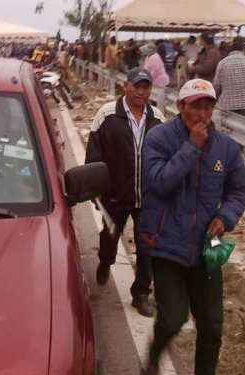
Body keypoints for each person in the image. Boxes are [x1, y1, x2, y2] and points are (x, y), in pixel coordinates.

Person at [138, 78, 245, 375]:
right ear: (181, 106)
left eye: (208, 106)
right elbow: (158, 182)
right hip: (166, 245)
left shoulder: (226, 149)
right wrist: (191, 147)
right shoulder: (159, 139)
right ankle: (155, 353)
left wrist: (225, 216)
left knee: (212, 325)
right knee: (172, 318)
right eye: (196, 106)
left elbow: (239, 189)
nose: (202, 114)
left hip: (205, 250)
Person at [87, 68, 166, 317]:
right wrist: (94, 186)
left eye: (146, 87)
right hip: (115, 194)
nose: (141, 92)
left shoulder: (158, 117)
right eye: (137, 86)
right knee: (111, 234)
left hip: (148, 196)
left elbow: (166, 155)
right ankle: (105, 260)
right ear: (126, 87)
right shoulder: (107, 115)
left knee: (147, 246)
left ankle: (141, 292)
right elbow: (94, 154)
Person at [213, 38, 245, 118]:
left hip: (227, 103)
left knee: (229, 127)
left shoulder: (222, 63)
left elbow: (216, 84)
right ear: (243, 49)